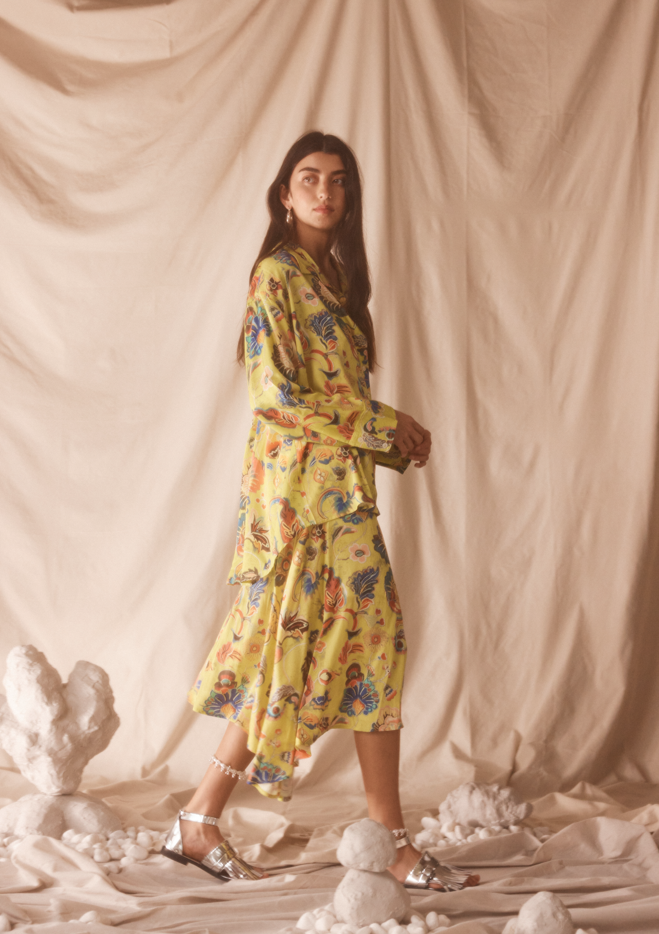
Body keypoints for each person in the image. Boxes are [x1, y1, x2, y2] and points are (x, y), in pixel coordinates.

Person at [162, 131, 479, 891]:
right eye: (308, 179)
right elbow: (274, 397)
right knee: (352, 646)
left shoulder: (336, 280)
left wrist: (388, 432)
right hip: (297, 503)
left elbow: (330, 396)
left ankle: (200, 822)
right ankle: (387, 841)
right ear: (283, 192)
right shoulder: (275, 276)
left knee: (307, 652)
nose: (324, 192)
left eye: (337, 180)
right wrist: (381, 423)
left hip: (336, 491)